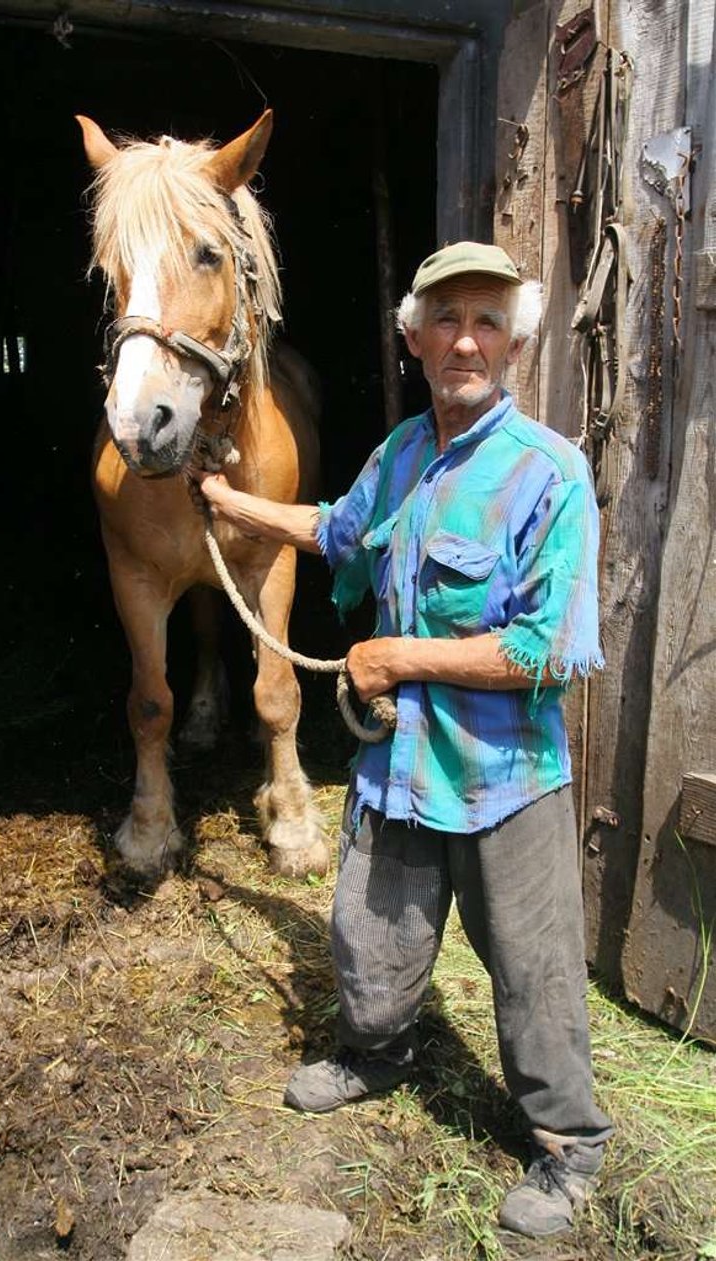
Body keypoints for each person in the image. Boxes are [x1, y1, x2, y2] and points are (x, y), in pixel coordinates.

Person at [194, 241, 613, 1239]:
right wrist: (225, 501)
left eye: (486, 320)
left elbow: (551, 652)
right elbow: (339, 529)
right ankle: (379, 1055)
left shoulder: (548, 475)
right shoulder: (402, 456)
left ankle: (569, 1146)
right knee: (368, 939)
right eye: (446, 319)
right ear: (416, 337)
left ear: (514, 341)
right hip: (397, 768)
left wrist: (399, 657)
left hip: (505, 777)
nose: (465, 339)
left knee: (533, 970)